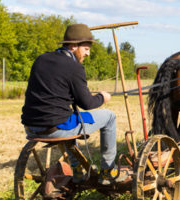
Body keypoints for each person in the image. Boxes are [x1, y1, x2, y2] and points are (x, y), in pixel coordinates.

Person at [21, 24, 117, 185]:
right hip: (54, 128)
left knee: (68, 116)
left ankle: (78, 169)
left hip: (31, 127)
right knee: (109, 116)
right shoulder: (74, 67)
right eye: (86, 48)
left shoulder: (41, 59)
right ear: (73, 46)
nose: (88, 53)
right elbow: (87, 103)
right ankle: (108, 171)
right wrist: (102, 97)